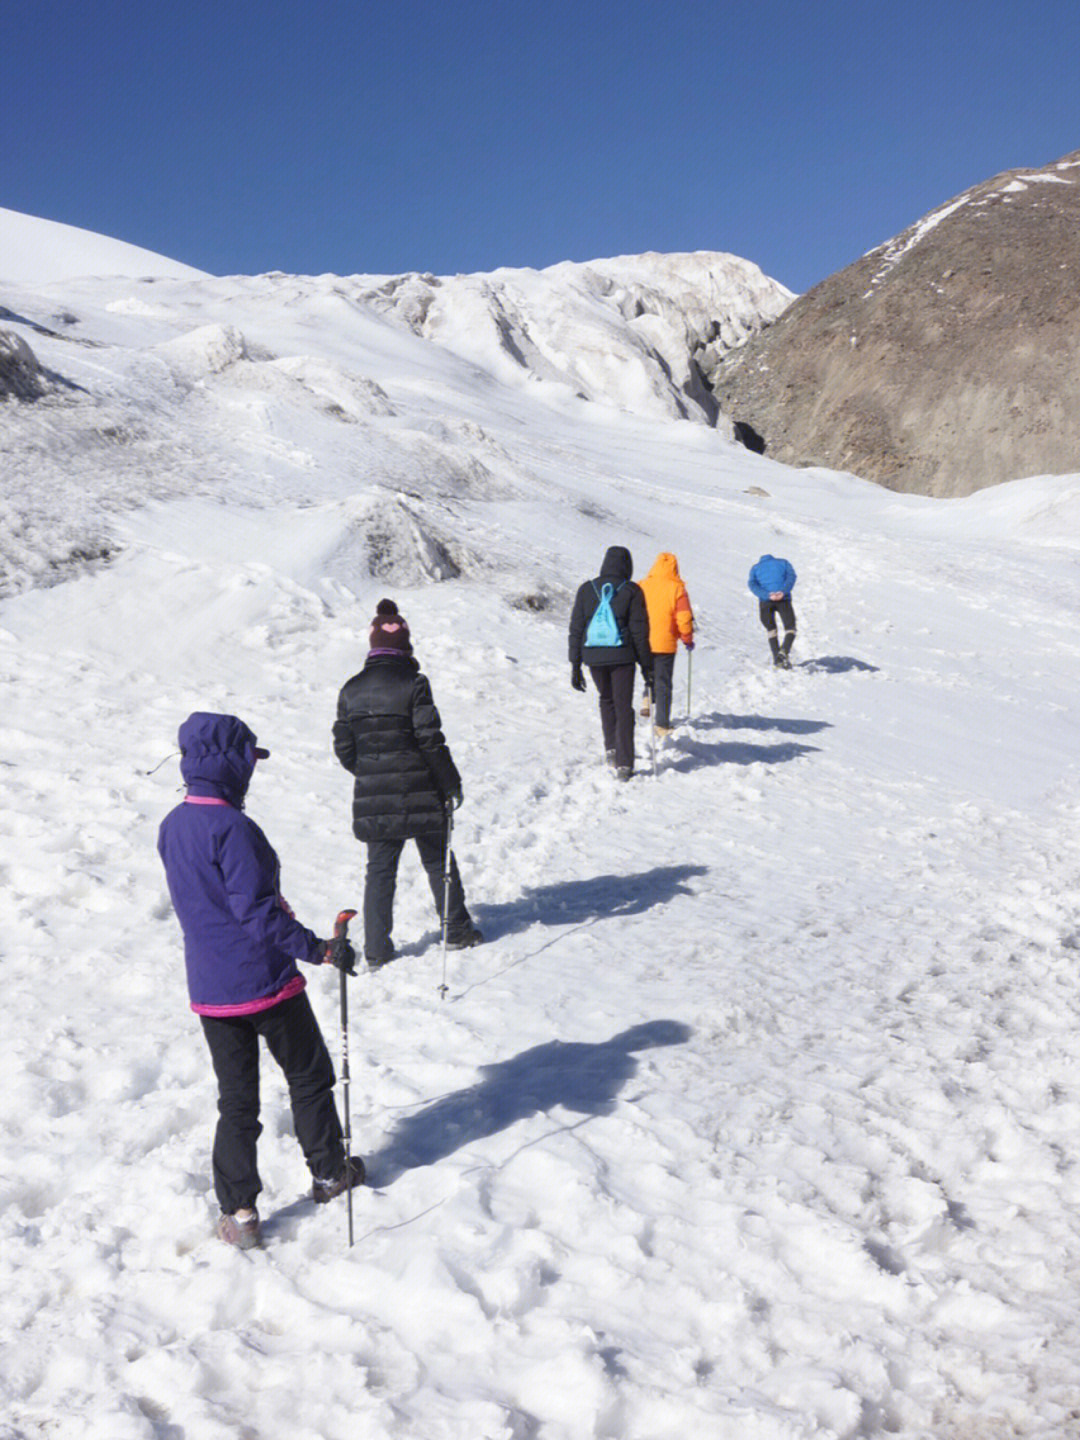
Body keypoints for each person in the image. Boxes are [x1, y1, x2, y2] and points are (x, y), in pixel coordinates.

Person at [157, 711, 362, 1252]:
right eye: (249, 759)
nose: (252, 770)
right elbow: (257, 916)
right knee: (309, 1074)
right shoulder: (234, 829)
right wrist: (319, 949)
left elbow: (210, 903)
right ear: (229, 762)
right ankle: (328, 1173)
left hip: (211, 988)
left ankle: (240, 1214)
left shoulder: (173, 825)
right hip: (264, 980)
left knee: (237, 1101)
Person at [333, 599, 481, 967]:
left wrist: (370, 772)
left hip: (375, 795)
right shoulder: (414, 683)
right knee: (437, 861)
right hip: (423, 788)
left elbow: (344, 746)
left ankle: (377, 950)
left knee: (380, 871)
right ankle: (457, 930)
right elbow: (430, 739)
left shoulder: (350, 689)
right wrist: (450, 783)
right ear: (405, 646)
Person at [568, 545, 652, 779]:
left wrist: (575, 664)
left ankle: (611, 750)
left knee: (606, 700)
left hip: (593, 655)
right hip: (623, 656)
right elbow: (639, 632)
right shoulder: (632, 591)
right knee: (623, 706)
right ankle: (625, 763)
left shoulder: (587, 589)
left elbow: (576, 628)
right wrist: (647, 667)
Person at [638, 552, 694, 736]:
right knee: (663, 683)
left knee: (649, 672)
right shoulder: (677, 589)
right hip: (665, 642)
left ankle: (647, 696)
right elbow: (684, 617)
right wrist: (687, 638)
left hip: (641, 641)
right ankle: (661, 725)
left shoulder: (641, 585)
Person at [748, 554, 797, 667]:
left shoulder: (755, 568)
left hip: (766, 601)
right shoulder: (784, 562)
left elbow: (752, 584)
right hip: (783, 599)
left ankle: (777, 659)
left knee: (771, 630)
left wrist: (767, 595)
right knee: (790, 628)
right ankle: (784, 651)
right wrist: (783, 591)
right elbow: (792, 577)